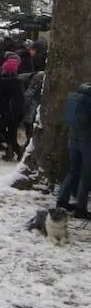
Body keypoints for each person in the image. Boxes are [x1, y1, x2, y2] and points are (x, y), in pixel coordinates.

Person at [57, 82, 91, 218]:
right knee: (86, 174)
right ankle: (80, 208)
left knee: (73, 170)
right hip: (87, 140)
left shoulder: (75, 95)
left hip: (72, 137)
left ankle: (62, 201)